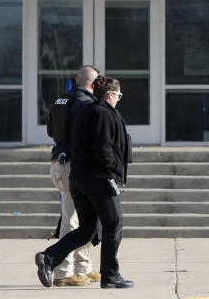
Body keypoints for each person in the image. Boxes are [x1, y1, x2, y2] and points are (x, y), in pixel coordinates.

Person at [35, 77, 133, 289]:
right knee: (114, 223)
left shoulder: (86, 112)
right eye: (118, 95)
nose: (119, 99)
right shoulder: (102, 113)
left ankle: (48, 258)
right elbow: (103, 149)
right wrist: (114, 172)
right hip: (98, 178)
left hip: (79, 179)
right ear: (109, 94)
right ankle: (111, 275)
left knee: (87, 229)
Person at [45, 65, 100, 287]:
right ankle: (63, 272)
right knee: (72, 220)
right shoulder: (86, 104)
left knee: (84, 218)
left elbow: (51, 131)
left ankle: (82, 267)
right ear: (93, 84)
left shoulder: (61, 101)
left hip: (58, 163)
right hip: (73, 167)